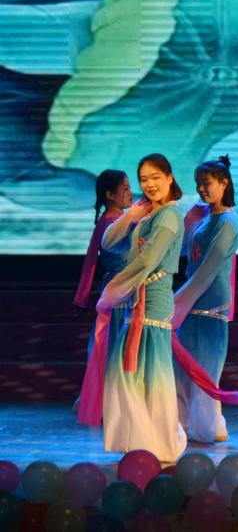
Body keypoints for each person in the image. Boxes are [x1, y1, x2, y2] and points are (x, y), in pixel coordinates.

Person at [93, 154, 187, 461]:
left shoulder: (169, 215)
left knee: (150, 373)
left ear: (169, 178)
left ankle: (160, 442)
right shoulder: (147, 213)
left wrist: (112, 292)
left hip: (154, 301)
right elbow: (108, 242)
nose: (150, 185)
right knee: (130, 373)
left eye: (156, 178)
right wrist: (130, 215)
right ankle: (142, 440)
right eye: (144, 180)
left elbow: (149, 260)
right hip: (136, 302)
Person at [173, 156, 238, 444]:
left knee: (205, 370)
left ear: (224, 183)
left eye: (207, 183)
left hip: (211, 301)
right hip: (192, 301)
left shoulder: (227, 222)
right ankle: (182, 423)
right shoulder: (204, 218)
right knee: (182, 368)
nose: (202, 188)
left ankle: (206, 427)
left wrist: (177, 302)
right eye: (199, 184)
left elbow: (208, 269)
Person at [74, 170, 131, 404]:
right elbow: (95, 261)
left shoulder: (120, 221)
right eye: (125, 189)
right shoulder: (111, 224)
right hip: (119, 291)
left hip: (124, 289)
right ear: (110, 195)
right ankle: (108, 401)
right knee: (114, 347)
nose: (130, 193)